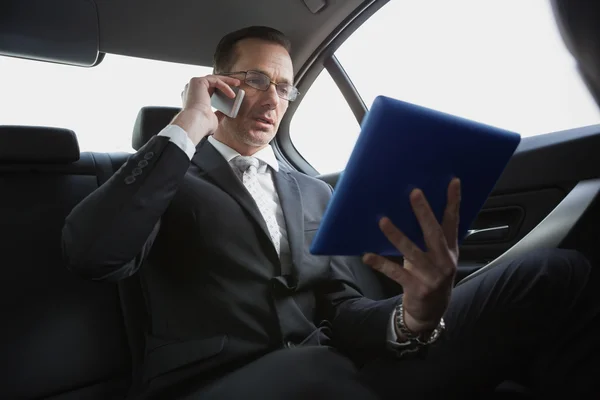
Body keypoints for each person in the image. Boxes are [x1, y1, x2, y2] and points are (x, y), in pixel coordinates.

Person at [62, 25, 600, 399]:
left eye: (283, 87)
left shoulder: (312, 192)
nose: (273, 99)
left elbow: (341, 309)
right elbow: (93, 254)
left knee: (556, 274)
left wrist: (412, 316)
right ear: (219, 85)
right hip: (218, 382)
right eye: (255, 81)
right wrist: (186, 126)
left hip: (329, 368)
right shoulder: (165, 173)